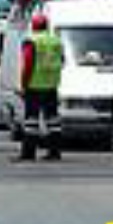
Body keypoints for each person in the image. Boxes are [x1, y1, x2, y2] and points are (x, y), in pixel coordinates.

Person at [16, 13, 64, 162]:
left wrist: (23, 84)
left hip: (34, 85)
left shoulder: (31, 41)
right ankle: (54, 152)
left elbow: (28, 64)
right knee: (53, 121)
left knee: (31, 121)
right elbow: (62, 60)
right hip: (52, 85)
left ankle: (28, 153)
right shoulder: (56, 41)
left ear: (34, 26)